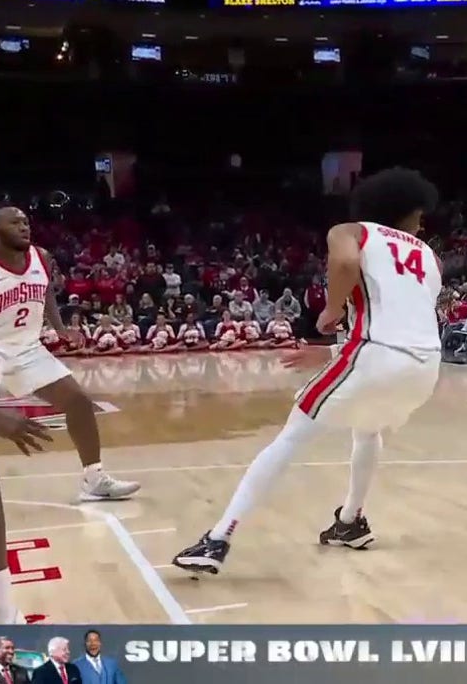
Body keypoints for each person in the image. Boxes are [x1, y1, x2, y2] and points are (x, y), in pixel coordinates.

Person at [172, 167, 444, 574]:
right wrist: (338, 351)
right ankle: (350, 522)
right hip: (426, 368)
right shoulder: (430, 257)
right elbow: (403, 323)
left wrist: (331, 311)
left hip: (376, 357)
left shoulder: (350, 231)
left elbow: (347, 263)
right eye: (419, 212)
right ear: (402, 208)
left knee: (292, 435)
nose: (422, 221)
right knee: (368, 428)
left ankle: (217, 538)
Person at [0, 206, 140, 504]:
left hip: (27, 348)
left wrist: (59, 328)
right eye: (15, 222)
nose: (24, 227)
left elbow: (45, 292)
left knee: (79, 403)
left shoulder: (42, 257)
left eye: (25, 222)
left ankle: (94, 479)